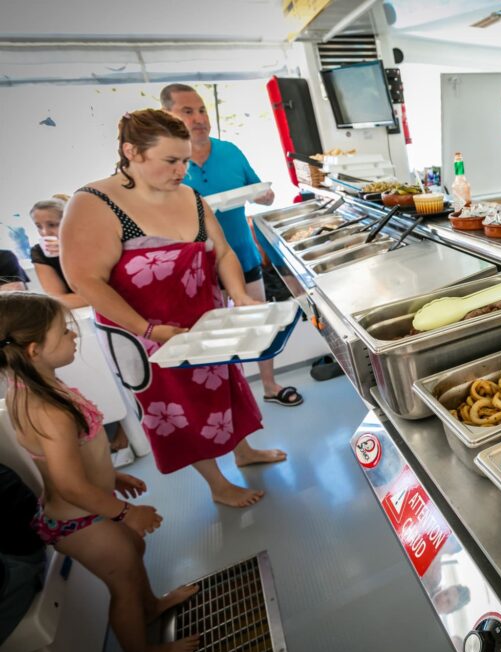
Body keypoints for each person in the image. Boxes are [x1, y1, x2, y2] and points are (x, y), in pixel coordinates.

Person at [61, 108, 286, 508]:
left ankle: (243, 450)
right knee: (179, 410)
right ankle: (218, 485)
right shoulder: (94, 202)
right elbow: (86, 280)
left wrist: (240, 296)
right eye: (170, 161)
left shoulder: (189, 196)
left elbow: (222, 253)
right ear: (132, 152)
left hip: (202, 319)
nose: (182, 169)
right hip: (145, 334)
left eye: (184, 159)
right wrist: (148, 329)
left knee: (225, 389)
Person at [0, 291, 200, 652]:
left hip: (89, 505)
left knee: (132, 553)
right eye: (65, 333)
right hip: (80, 518)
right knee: (122, 582)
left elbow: (76, 459)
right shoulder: (47, 410)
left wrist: (112, 475)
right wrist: (127, 512)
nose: (74, 338)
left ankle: (152, 605)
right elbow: (71, 486)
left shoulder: (38, 388)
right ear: (34, 349)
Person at [161, 83, 303, 408]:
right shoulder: (169, 165)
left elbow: (258, 190)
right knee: (214, 338)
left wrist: (264, 195)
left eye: (201, 110)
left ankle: (269, 384)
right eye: (187, 111)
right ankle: (230, 399)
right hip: (197, 266)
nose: (198, 118)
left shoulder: (230, 151)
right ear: (167, 117)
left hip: (243, 252)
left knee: (260, 323)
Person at [29, 196, 88, 308]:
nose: (45, 232)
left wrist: (71, 251)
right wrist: (103, 297)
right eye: (38, 226)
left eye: (52, 225)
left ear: (70, 221)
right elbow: (56, 299)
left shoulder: (93, 241)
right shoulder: (39, 251)